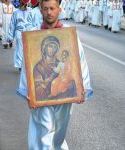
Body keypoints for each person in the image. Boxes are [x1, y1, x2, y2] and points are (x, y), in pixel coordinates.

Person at [17, 0, 93, 149]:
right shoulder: (33, 34)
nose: (49, 12)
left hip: (64, 93)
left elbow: (79, 60)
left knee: (59, 132)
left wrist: (82, 86)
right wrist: (28, 90)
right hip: (41, 93)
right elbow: (27, 65)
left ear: (59, 9)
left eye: (52, 8)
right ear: (40, 10)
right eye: (45, 9)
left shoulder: (69, 34)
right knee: (44, 129)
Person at [7, 0, 32, 70]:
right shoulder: (16, 13)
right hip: (19, 32)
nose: (22, 2)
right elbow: (12, 25)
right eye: (21, 1)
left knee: (28, 49)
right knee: (19, 49)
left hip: (28, 32)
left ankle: (27, 64)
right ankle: (20, 65)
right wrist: (10, 37)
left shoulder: (31, 11)